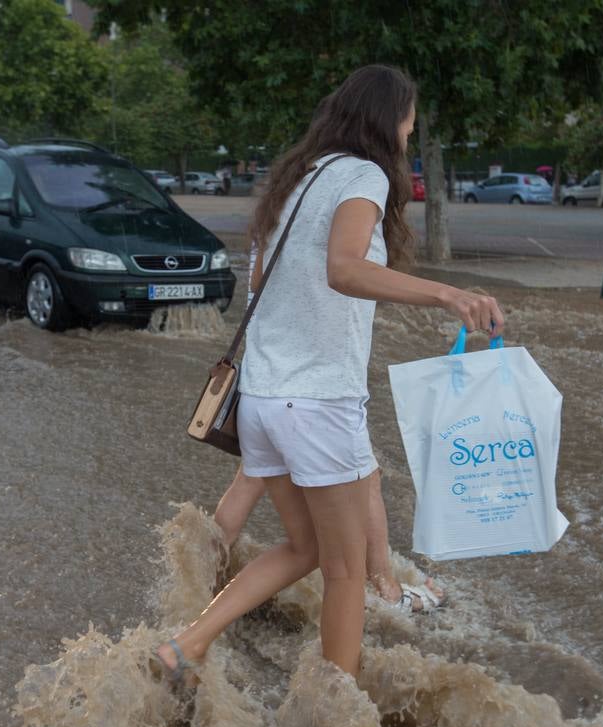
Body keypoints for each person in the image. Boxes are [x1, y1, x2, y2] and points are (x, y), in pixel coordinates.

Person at [153, 64, 504, 682]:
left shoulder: (299, 178)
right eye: (409, 125)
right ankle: (339, 716)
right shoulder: (364, 175)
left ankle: (187, 642)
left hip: (262, 399)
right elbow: (343, 270)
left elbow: (262, 281)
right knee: (344, 573)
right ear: (389, 122)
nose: (408, 136)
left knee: (308, 550)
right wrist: (448, 295)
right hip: (316, 401)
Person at [212, 465, 443, 612]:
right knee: (365, 475)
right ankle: (389, 591)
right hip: (314, 400)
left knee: (251, 475)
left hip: (263, 397)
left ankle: (206, 575)